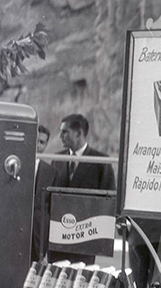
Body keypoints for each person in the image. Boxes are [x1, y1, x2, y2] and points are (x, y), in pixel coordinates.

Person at [49, 113, 116, 263]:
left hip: (86, 238)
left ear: (79, 133)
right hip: (58, 236)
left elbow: (109, 198)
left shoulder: (100, 161)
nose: (60, 136)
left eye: (65, 132)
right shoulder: (58, 159)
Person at [32, 124, 56, 261]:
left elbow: (51, 207)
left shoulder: (51, 172)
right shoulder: (14, 166)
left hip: (38, 234)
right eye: (35, 140)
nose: (38, 146)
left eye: (42, 142)